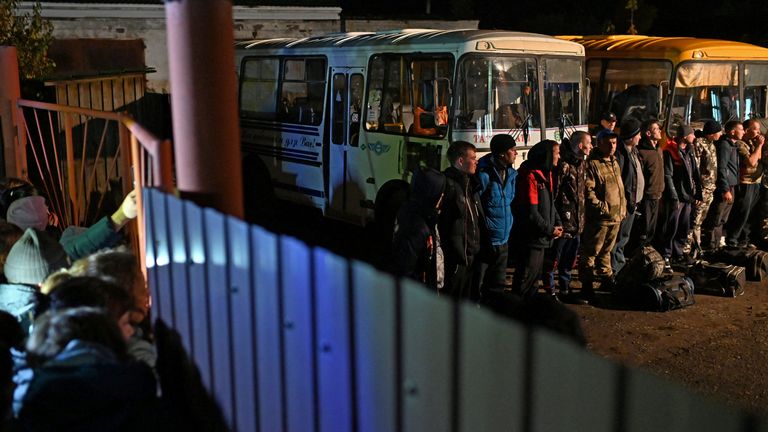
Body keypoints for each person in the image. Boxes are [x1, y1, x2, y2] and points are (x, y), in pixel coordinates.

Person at [13, 307, 159, 431]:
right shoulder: (138, 384)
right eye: (126, 322)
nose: (132, 331)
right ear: (111, 339)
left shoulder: (25, 399)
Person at [543, 131, 591, 303]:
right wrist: (555, 219)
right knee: (553, 260)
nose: (591, 147)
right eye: (589, 143)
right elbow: (553, 194)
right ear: (580, 146)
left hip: (577, 222)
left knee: (569, 260)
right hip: (562, 222)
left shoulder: (582, 164)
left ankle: (565, 289)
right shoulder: (563, 165)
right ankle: (551, 293)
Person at [511, 140, 563, 299]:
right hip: (532, 237)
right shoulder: (530, 176)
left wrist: (558, 222)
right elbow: (531, 212)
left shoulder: (546, 174)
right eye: (556, 153)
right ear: (547, 155)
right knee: (526, 276)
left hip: (541, 235)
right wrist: (549, 229)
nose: (559, 157)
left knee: (534, 277)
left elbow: (550, 203)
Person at [578, 129, 625, 302]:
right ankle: (586, 285)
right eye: (609, 143)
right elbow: (588, 190)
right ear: (600, 143)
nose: (612, 146)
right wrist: (601, 207)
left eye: (614, 143)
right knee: (591, 252)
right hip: (600, 218)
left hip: (616, 216)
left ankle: (606, 278)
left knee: (607, 250)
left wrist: (622, 208)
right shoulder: (592, 164)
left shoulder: (614, 161)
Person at [438, 141, 483, 300]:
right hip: (457, 257)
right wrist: (456, 251)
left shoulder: (470, 184)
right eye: (473, 158)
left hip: (469, 254)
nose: (477, 161)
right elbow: (445, 224)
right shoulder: (449, 186)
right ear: (460, 161)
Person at [476, 134, 518, 295]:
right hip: (487, 240)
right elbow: (478, 205)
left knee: (498, 283)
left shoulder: (511, 174)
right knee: (480, 281)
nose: (516, 153)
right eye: (512, 150)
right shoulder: (483, 174)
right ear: (501, 154)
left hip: (504, 239)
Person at [392, 167, 446, 290]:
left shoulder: (425, 216)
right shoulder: (416, 227)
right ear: (430, 193)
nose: (442, 196)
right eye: (439, 192)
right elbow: (405, 269)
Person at [658, 124, 702, 267]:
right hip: (677, 197)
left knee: (684, 226)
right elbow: (668, 176)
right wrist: (674, 197)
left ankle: (678, 253)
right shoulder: (670, 152)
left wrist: (698, 194)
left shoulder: (689, 150)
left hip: (687, 196)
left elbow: (695, 173)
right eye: (692, 134)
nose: (694, 137)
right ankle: (666, 254)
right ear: (685, 136)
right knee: (672, 226)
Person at [702, 120, 741, 250]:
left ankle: (717, 243)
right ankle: (711, 245)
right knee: (717, 216)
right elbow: (722, 168)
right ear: (732, 131)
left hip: (731, 185)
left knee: (723, 217)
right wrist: (725, 189)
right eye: (740, 129)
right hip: (726, 186)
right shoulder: (724, 145)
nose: (743, 132)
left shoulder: (733, 145)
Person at [611, 118, 644, 273]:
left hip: (632, 202)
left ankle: (620, 264)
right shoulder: (621, 154)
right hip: (624, 204)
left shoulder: (634, 151)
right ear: (631, 136)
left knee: (625, 237)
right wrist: (626, 201)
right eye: (638, 134)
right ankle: (616, 268)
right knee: (619, 238)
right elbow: (621, 182)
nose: (641, 137)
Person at [724, 119, 764, 248]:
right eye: (756, 129)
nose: (759, 132)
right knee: (743, 212)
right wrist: (759, 146)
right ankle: (732, 240)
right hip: (745, 183)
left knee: (751, 213)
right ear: (747, 130)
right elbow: (752, 162)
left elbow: (759, 157)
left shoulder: (752, 142)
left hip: (755, 182)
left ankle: (744, 239)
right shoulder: (740, 144)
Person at [684, 120, 720, 257]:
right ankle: (686, 250)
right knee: (694, 220)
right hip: (702, 189)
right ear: (711, 133)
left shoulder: (712, 145)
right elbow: (696, 168)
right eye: (718, 131)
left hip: (710, 188)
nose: (720, 134)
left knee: (700, 221)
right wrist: (697, 190)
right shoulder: (699, 144)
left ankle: (696, 247)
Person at [633, 119, 665, 248]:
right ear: (648, 133)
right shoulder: (641, 152)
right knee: (643, 230)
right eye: (656, 129)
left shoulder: (659, 150)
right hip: (646, 197)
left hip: (657, 195)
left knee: (652, 229)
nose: (660, 131)